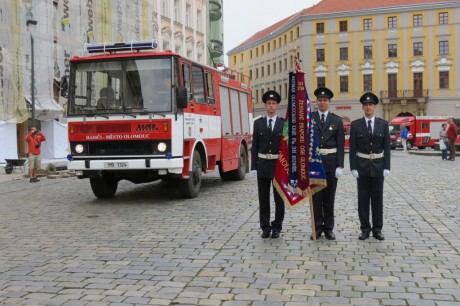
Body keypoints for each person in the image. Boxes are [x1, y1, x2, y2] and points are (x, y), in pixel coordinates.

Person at [349, 92, 391, 241]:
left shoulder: (383, 124)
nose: (368, 107)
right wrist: (353, 167)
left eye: (370, 104)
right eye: (365, 105)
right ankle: (365, 228)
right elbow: (353, 148)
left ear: (375, 106)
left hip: (379, 167)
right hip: (362, 167)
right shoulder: (355, 125)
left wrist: (387, 167)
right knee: (363, 200)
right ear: (362, 107)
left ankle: (377, 229)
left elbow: (387, 147)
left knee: (377, 200)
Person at [310, 87, 345, 240]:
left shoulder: (336, 120)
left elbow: (340, 145)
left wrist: (340, 165)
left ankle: (329, 228)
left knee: (329, 198)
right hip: (315, 165)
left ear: (329, 102)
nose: (322, 102)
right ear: (316, 102)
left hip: (331, 165)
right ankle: (317, 228)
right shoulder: (310, 119)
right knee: (316, 198)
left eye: (325, 100)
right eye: (320, 100)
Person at [251, 90, 285, 239]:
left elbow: (286, 147)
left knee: (279, 199)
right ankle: (265, 227)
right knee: (263, 198)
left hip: (278, 165)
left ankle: (277, 226)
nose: (271, 106)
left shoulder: (283, 123)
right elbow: (255, 146)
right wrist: (253, 167)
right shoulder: (258, 123)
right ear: (265, 105)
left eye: (274, 103)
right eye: (269, 103)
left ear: (277, 106)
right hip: (263, 164)